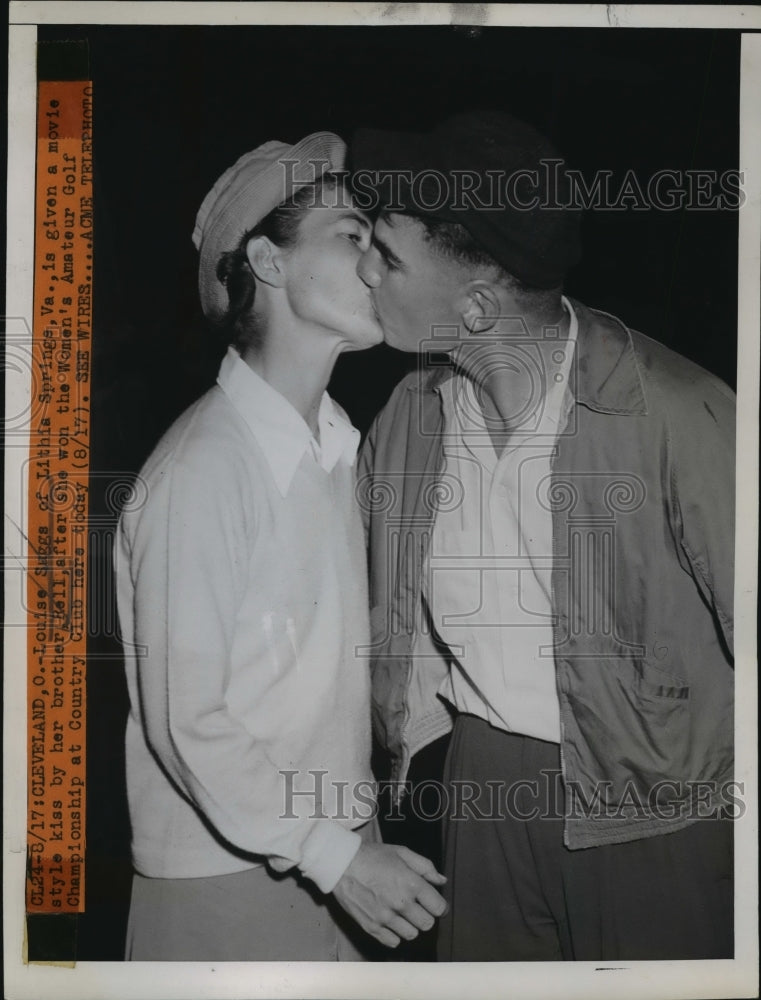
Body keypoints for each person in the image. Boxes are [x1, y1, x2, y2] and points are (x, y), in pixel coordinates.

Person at [351, 111, 736, 961]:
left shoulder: (676, 412)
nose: (363, 271)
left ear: (477, 305)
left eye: (387, 255)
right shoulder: (407, 417)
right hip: (481, 781)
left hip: (658, 803)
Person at [115, 132, 447, 962]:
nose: (379, 264)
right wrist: (336, 855)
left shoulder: (336, 443)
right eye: (351, 237)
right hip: (228, 880)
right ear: (266, 260)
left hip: (330, 851)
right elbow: (188, 725)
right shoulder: (202, 470)